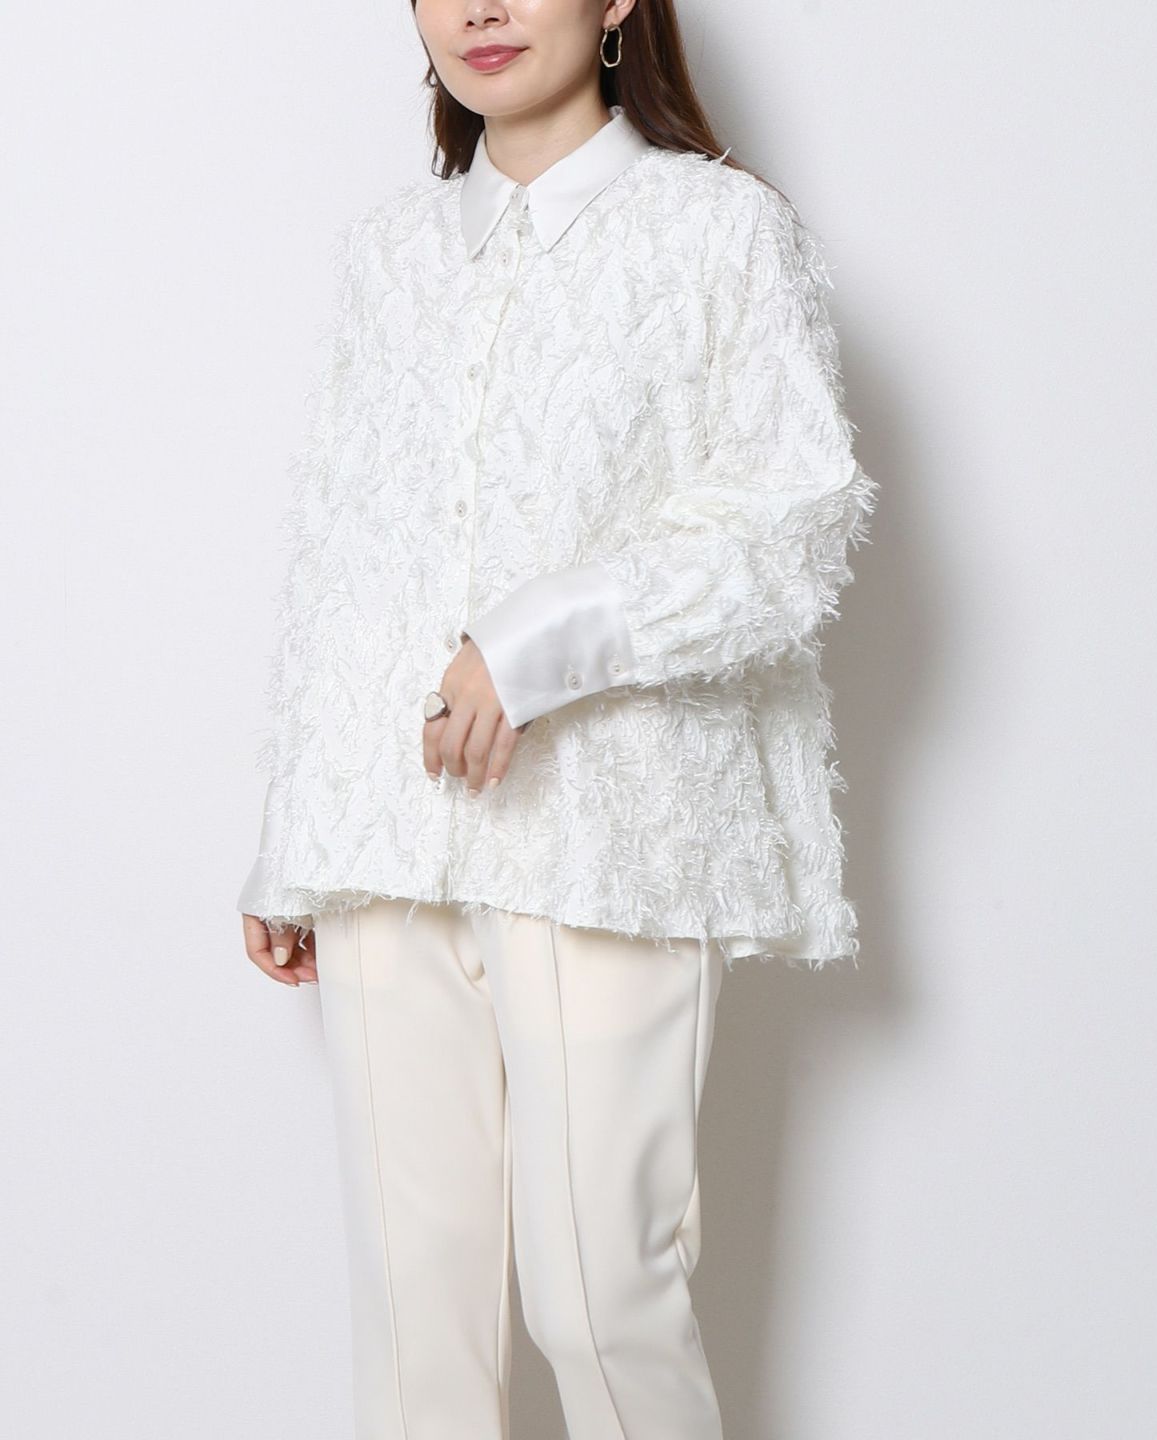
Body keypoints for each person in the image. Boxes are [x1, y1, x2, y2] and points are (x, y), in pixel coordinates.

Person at [237, 1, 877, 1435]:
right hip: (383, 842)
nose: (479, 8)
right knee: (418, 1321)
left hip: (614, 836)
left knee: (599, 1300)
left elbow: (792, 525)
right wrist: (293, 835)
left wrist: (533, 646)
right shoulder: (392, 252)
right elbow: (344, 556)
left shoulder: (719, 230)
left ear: (619, 1)